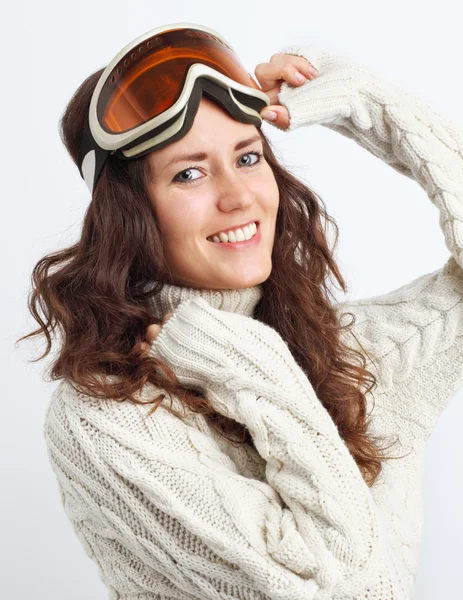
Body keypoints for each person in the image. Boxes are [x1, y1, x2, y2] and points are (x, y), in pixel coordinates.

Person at [20, 23, 463, 600]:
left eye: (249, 156)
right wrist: (246, 368)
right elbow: (350, 589)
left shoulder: (359, 352)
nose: (239, 196)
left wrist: (366, 103)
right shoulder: (107, 418)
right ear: (129, 214)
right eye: (189, 173)